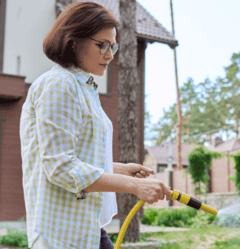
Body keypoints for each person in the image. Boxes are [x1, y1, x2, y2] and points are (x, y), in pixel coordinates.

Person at [19, 2, 171, 249]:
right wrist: (134, 186)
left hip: (86, 228)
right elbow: (60, 166)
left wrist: (120, 169)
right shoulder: (59, 84)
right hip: (60, 234)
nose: (110, 55)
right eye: (102, 45)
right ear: (72, 41)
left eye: (113, 46)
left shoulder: (84, 88)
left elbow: (77, 157)